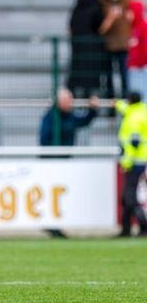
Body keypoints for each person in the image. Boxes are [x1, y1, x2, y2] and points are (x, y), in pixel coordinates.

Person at [39, 88, 99, 238]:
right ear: (59, 102)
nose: (71, 103)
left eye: (71, 99)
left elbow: (83, 121)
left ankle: (56, 224)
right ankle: (52, 224)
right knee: (53, 193)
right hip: (51, 163)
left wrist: (92, 111)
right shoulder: (51, 117)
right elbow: (44, 138)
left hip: (65, 161)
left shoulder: (70, 116)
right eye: (68, 100)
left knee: (62, 193)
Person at [67, 0, 106, 99]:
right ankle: (90, 98)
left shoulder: (78, 5)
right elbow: (100, 28)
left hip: (77, 45)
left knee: (77, 71)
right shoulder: (96, 6)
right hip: (92, 47)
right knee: (91, 74)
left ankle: (73, 95)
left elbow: (70, 25)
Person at [116, 92, 147, 237]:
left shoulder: (134, 119)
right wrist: (116, 104)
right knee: (127, 196)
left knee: (129, 197)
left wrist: (126, 162)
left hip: (135, 162)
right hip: (142, 161)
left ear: (129, 101)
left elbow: (134, 144)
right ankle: (126, 229)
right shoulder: (141, 111)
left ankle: (143, 225)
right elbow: (125, 109)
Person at [99, 0, 132, 101]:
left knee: (124, 75)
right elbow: (100, 26)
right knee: (108, 76)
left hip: (123, 44)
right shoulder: (101, 2)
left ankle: (125, 100)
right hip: (108, 45)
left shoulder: (126, 0)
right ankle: (110, 104)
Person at [127, 0, 147, 100]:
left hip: (141, 70)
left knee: (141, 96)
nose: (128, 15)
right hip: (135, 69)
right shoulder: (134, 28)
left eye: (130, 12)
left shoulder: (143, 27)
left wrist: (139, 64)